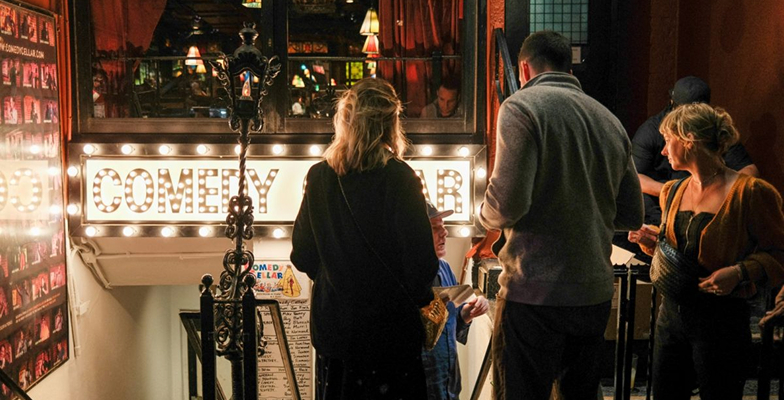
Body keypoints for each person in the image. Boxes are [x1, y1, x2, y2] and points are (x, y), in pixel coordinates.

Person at [478, 30, 644, 399]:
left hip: (534, 291)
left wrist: (483, 215)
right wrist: (585, 210)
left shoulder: (521, 107)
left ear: (524, 68)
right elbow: (632, 213)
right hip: (594, 292)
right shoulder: (609, 120)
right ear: (568, 66)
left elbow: (507, 204)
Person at [291, 78, 438, 399]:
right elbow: (421, 265)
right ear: (390, 124)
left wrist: (336, 275)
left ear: (345, 120)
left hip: (338, 333)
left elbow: (302, 254)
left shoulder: (320, 177)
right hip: (391, 336)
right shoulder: (401, 178)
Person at [628, 103, 784, 399]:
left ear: (690, 140)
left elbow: (779, 253)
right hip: (671, 318)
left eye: (667, 140)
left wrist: (740, 272)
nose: (662, 151)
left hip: (721, 322)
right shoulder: (672, 192)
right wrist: (655, 244)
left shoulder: (750, 192)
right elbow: (682, 248)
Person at [632, 76, 759, 226]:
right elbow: (634, 177)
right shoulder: (651, 131)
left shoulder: (713, 130)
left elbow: (749, 170)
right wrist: (677, 193)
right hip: (662, 203)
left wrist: (718, 192)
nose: (664, 152)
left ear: (690, 141)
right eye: (666, 140)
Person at [422, 202, 489, 400]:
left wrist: (466, 315)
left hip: (449, 385)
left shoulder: (444, 268)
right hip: (424, 386)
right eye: (435, 228)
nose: (444, 234)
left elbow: (449, 326)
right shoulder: (405, 277)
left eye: (443, 227)